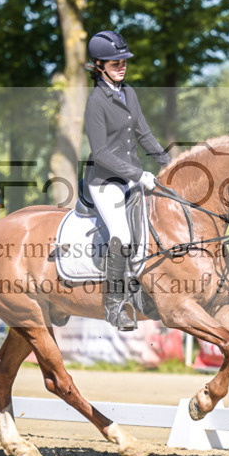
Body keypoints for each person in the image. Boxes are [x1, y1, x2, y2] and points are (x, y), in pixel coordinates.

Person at [82, 30, 170, 331]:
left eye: (123, 61)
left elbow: (144, 134)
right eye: (114, 62)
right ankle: (114, 306)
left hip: (133, 178)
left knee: (153, 229)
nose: (121, 66)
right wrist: (138, 174)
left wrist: (168, 162)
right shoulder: (96, 102)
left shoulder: (129, 93)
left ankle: (142, 293)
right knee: (122, 233)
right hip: (105, 181)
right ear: (99, 65)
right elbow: (101, 152)